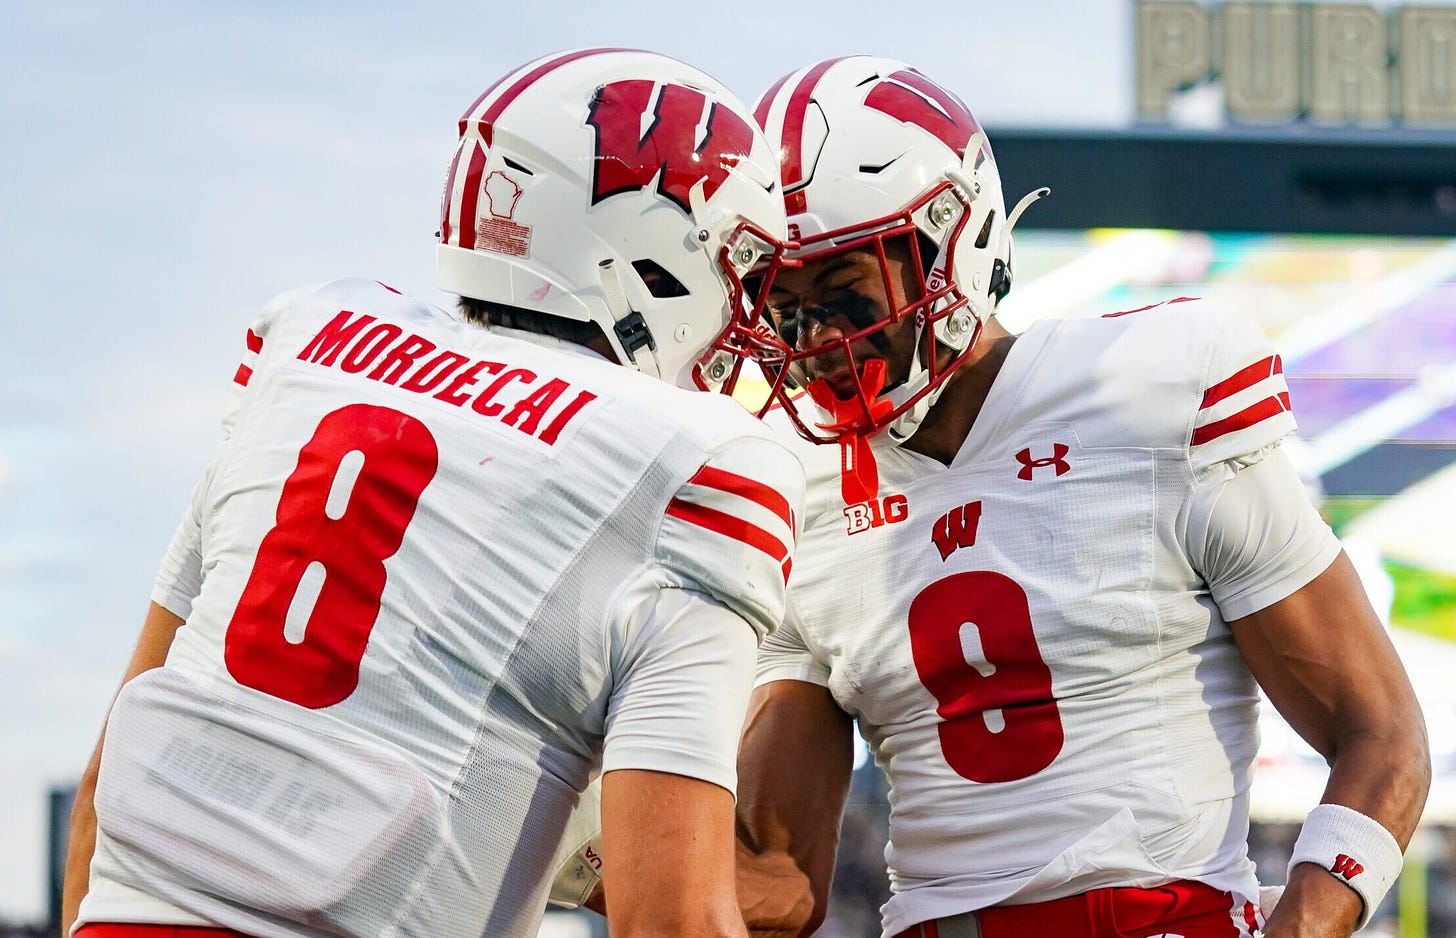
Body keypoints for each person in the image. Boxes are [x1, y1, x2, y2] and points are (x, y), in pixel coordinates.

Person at [61, 48, 804, 938]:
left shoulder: (310, 351)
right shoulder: (694, 463)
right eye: (738, 265)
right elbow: (673, 922)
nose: (746, 311)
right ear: (649, 253)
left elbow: (103, 796)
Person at [732, 56, 1430, 938]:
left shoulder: (1148, 390)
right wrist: (588, 836)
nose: (816, 338)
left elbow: (1382, 737)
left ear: (955, 239)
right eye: (781, 304)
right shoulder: (793, 488)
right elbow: (780, 890)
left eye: (842, 290)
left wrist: (1303, 926)